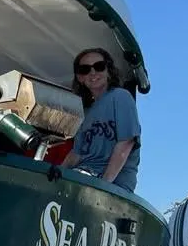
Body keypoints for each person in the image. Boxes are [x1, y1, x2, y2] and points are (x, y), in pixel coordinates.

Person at [60, 47, 140, 191]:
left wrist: (103, 185)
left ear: (108, 70)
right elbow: (77, 154)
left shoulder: (121, 97)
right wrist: (56, 172)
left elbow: (126, 142)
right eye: (85, 69)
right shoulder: (86, 111)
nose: (92, 72)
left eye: (99, 66)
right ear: (80, 78)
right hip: (81, 178)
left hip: (112, 186)